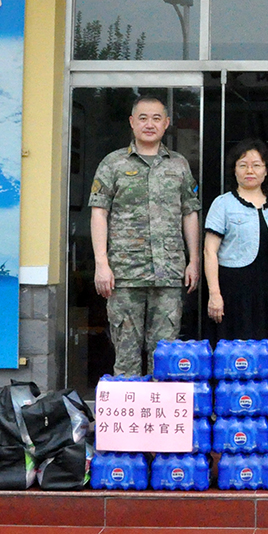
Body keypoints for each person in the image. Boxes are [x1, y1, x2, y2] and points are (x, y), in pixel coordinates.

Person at [89, 95, 201, 377]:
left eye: (156, 118)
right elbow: (99, 213)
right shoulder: (113, 163)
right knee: (126, 358)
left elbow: (189, 213)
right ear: (132, 122)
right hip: (125, 274)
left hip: (169, 274)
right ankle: (129, 408)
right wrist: (101, 263)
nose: (149, 124)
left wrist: (194, 260)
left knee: (164, 358)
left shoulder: (179, 164)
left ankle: (158, 406)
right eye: (143, 118)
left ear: (166, 123)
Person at [204, 138, 268, 341]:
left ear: (266, 170)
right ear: (234, 170)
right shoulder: (223, 204)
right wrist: (215, 294)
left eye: (256, 165)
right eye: (243, 165)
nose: (249, 171)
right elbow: (210, 251)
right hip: (233, 289)